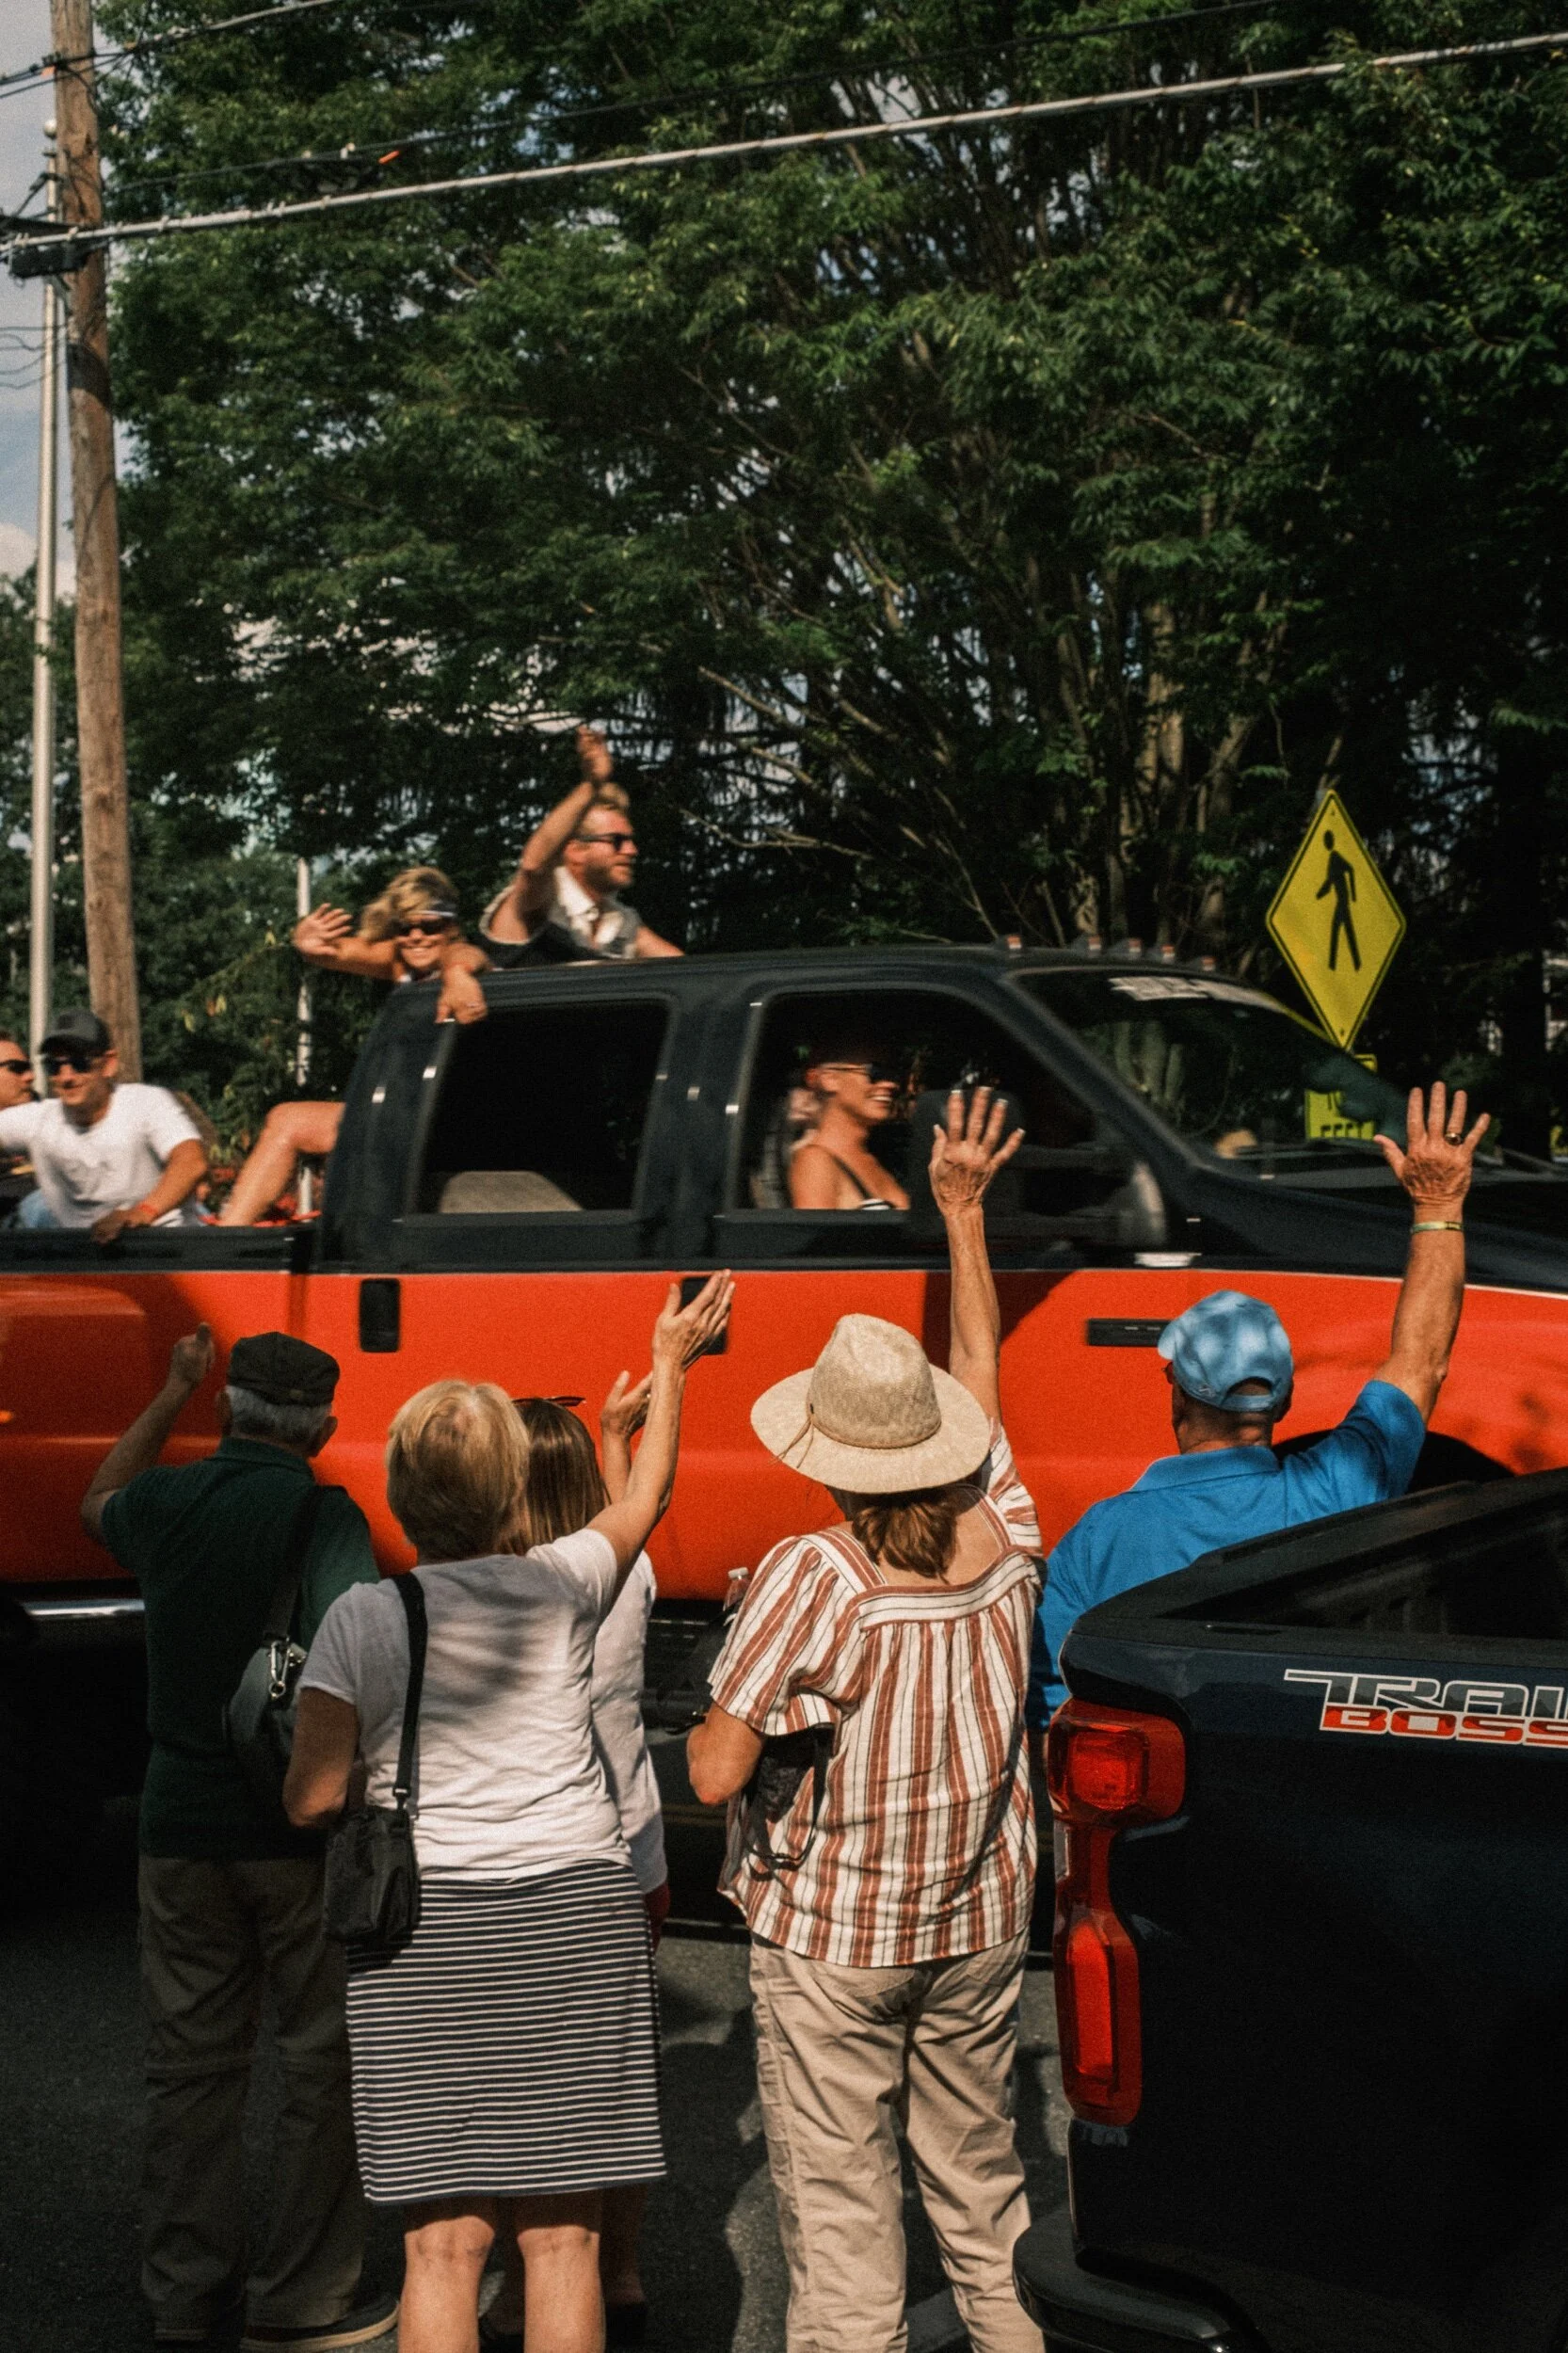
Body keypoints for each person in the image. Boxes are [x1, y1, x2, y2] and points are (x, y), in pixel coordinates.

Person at [284, 1270, 733, 2353]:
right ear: (505, 1494)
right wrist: (669, 1365)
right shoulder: (564, 1580)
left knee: (441, 2246)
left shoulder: (361, 1616)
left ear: (401, 1491)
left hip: (424, 1931)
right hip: (575, 1915)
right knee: (563, 2238)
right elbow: (648, 1493)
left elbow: (314, 1798)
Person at [688, 1090, 1045, 2353]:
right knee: (984, 2202)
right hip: (983, 1919)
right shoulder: (1006, 1535)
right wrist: (961, 1216)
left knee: (842, 2240)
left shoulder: (815, 1574)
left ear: (828, 1454)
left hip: (839, 1938)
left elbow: (720, 1765)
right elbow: (984, 1384)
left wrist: (721, 1714)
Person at [79, 1327, 392, 2353]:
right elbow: (354, 1653)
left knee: (190, 2063)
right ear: (325, 1427)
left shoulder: (168, 1502)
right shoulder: (324, 1514)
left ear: (228, 1410)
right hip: (294, 1830)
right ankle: (298, 2297)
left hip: (177, 1821)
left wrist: (170, 1392)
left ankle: (183, 2290)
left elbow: (97, 1503)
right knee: (315, 2060)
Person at [1030, 1080, 1490, 1724]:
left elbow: (1055, 1699)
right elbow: (1421, 1362)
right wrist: (1438, 1204)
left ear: (1175, 1393)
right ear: (1284, 1401)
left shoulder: (1098, 1539)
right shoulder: (1336, 1491)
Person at [480, 1378, 667, 2352]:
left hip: (544, 1856)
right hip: (635, 1847)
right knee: (616, 2079)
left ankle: (525, 2286)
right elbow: (629, 1509)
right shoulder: (621, 1574)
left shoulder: (510, 1592)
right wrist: (615, 1436)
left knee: (524, 2085)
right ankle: (621, 2269)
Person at [218, 868, 488, 1227]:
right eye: (405, 927)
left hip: (445, 1125)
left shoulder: (458, 957)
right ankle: (229, 1235)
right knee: (286, 1120)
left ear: (451, 926)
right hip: (400, 1115)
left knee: (298, 1126)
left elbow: (468, 954)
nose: (417, 936)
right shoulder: (399, 962)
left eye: (430, 925)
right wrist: (305, 942)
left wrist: (457, 976)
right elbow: (333, 952)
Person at [0, 1007, 209, 1242]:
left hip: (168, 1255)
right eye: (54, 1066)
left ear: (109, 1064)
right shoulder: (37, 1121)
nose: (67, 1077)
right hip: (85, 1265)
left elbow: (191, 1161)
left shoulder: (146, 1103)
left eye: (80, 1063)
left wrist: (143, 1212)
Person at [479, 725, 681, 963]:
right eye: (617, 841)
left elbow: (685, 971)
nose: (631, 851)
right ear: (575, 850)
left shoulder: (621, 921)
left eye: (630, 840)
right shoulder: (544, 901)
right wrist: (591, 785)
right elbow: (534, 865)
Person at [787, 1040, 910, 1210]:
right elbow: (815, 1236)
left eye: (894, 1075)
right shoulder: (816, 1163)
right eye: (875, 1072)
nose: (890, 1084)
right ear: (830, 1079)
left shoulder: (880, 1158)